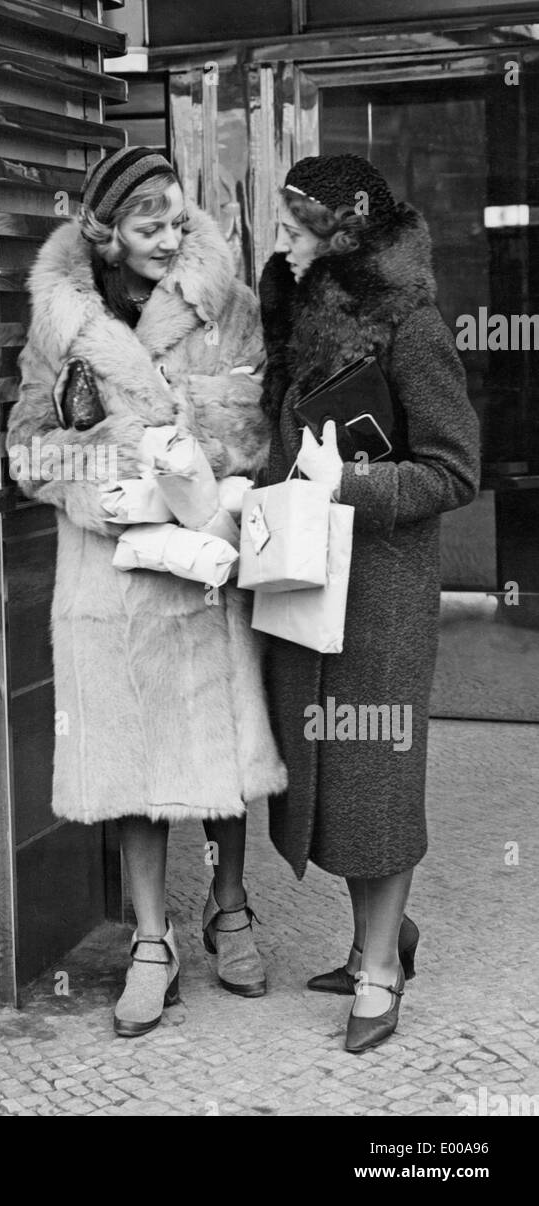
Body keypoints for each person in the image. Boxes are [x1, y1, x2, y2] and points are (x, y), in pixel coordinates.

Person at [7, 146, 287, 1036]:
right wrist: (107, 478)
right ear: (104, 232)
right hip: (108, 568)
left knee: (223, 748)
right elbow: (27, 447)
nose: (169, 238)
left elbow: (257, 427)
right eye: (146, 225)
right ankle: (150, 943)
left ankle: (231, 909)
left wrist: (188, 444)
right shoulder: (59, 322)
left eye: (176, 218)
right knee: (130, 761)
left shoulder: (226, 302)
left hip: (202, 557)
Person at [259, 154, 480, 1053]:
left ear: (341, 229)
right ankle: (375, 941)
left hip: (381, 590)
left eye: (291, 226)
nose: (275, 242)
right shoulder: (301, 316)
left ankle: (378, 969)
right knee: (337, 782)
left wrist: (346, 481)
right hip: (308, 581)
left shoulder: (410, 324)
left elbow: (455, 468)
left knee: (376, 779)